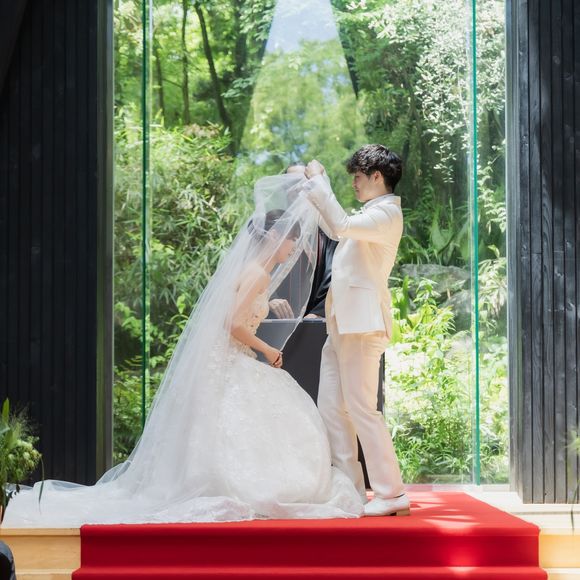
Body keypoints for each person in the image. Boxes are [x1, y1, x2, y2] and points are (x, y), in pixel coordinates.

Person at [3, 173, 362, 527]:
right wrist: (267, 349)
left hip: (226, 359)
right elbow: (232, 324)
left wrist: (268, 305)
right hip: (233, 357)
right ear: (274, 237)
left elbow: (237, 309)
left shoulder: (254, 270)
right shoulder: (260, 274)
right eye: (290, 242)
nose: (292, 249)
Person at [302, 144, 410, 517]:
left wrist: (320, 181)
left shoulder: (386, 215)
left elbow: (340, 226)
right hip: (342, 326)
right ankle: (350, 488)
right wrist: (311, 190)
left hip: (363, 327)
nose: (354, 184)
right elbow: (335, 227)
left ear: (377, 176)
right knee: (332, 408)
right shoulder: (368, 217)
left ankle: (392, 493)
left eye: (359, 177)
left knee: (363, 409)